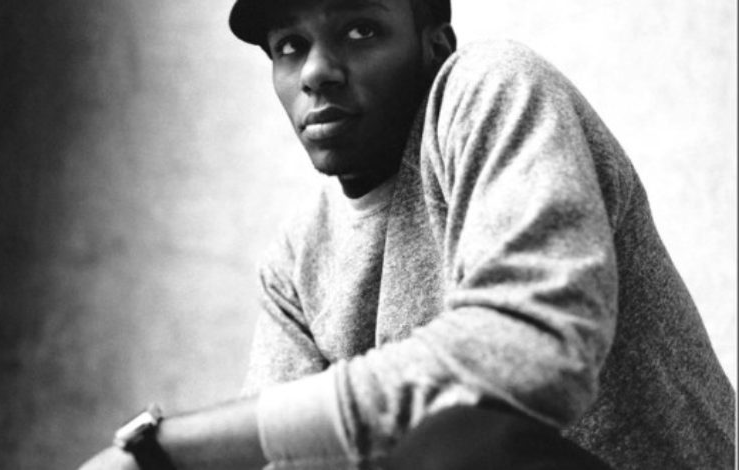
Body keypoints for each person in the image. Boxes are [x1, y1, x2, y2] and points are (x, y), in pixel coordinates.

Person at [78, 0, 736, 469]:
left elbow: (529, 358)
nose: (315, 72)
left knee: (454, 444)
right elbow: (283, 453)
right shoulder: (296, 258)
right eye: (290, 46)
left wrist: (166, 447)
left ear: (434, 48)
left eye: (360, 29)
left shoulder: (493, 88)